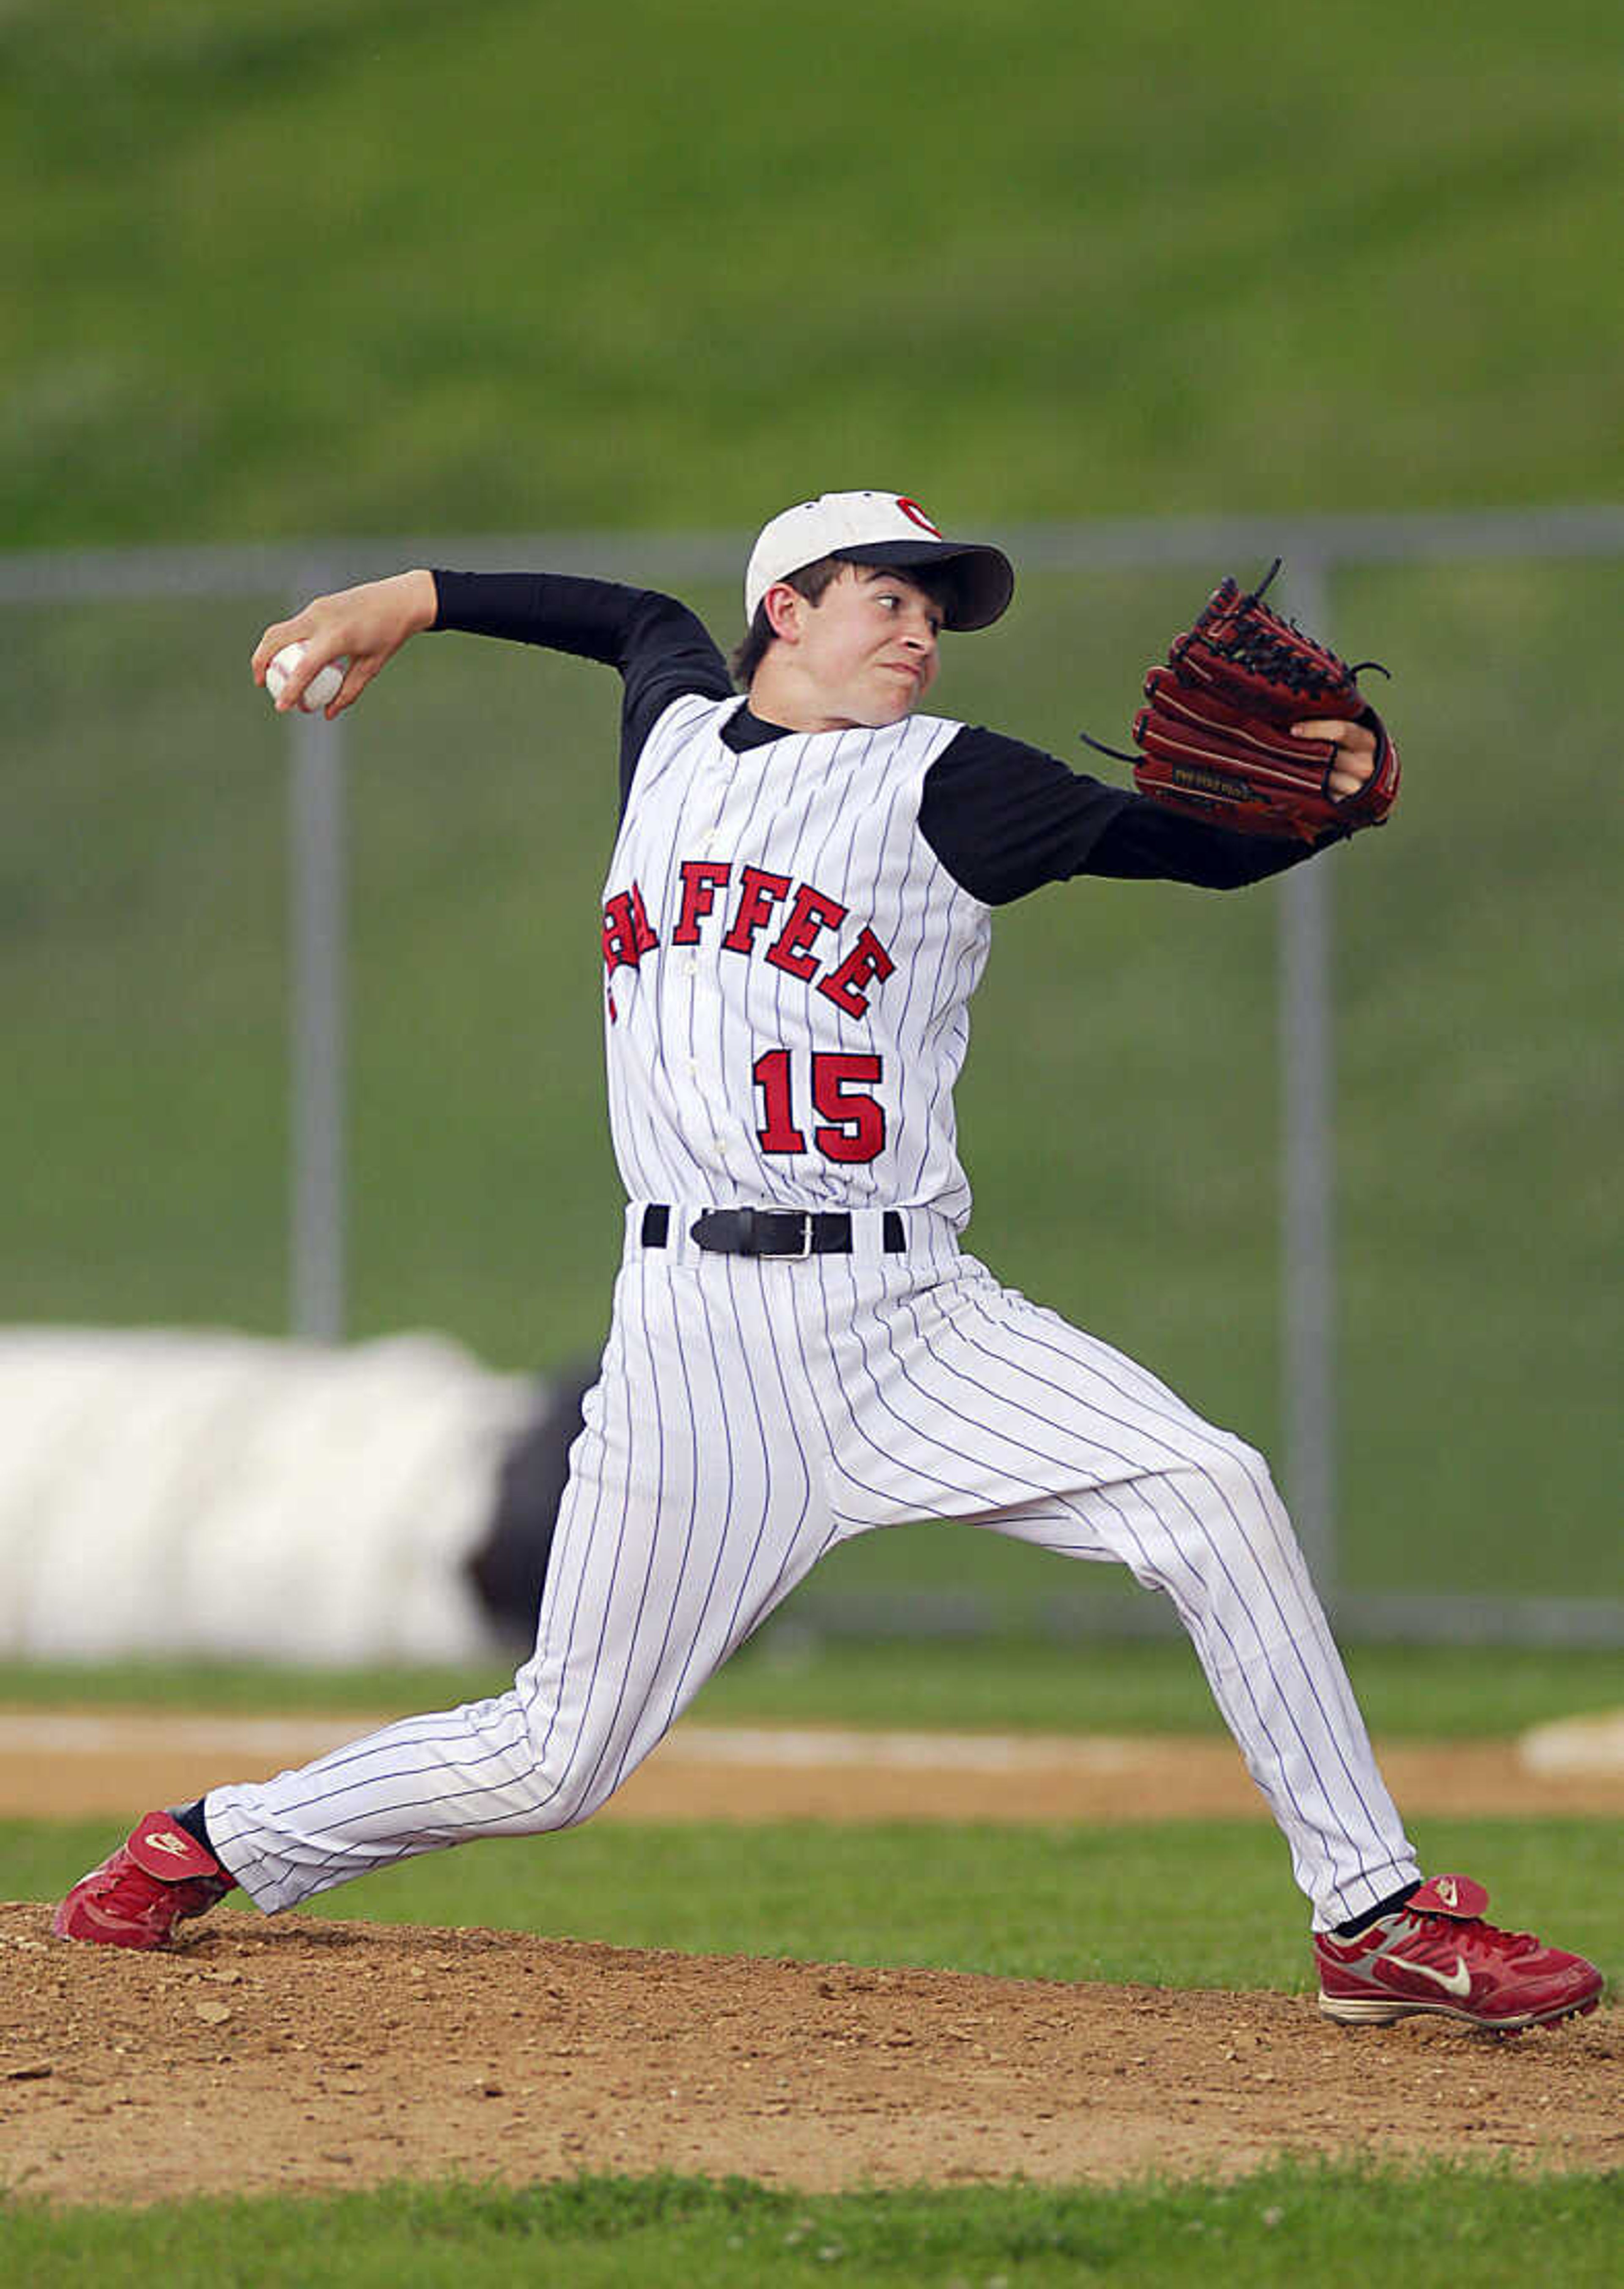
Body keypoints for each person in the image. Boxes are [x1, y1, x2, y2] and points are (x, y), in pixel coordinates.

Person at [54, 490, 1602, 2033]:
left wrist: (1326, 802)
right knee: (554, 1757)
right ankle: (214, 1840)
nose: (923, 631)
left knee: (1214, 1497)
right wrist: (408, 595)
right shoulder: (672, 735)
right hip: (691, 1344)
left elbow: (1186, 845)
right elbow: (625, 620)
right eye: (891, 597)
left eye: (940, 611)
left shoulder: (953, 785)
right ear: (787, 608)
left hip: (910, 1318)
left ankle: (1374, 1917)